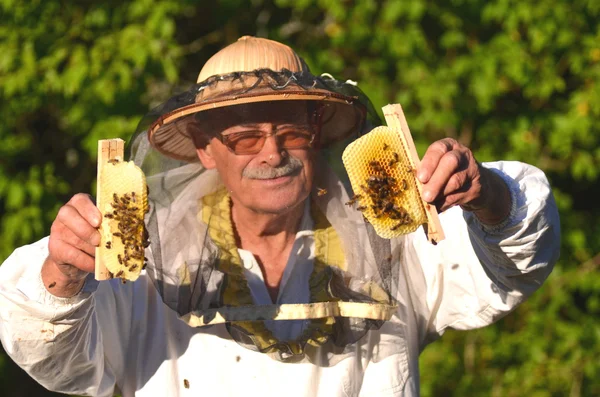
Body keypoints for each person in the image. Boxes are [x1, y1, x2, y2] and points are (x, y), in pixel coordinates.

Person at [0, 36, 559, 396]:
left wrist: (487, 194)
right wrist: (63, 274)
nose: (272, 153)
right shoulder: (141, 259)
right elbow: (55, 357)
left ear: (316, 137)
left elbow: (514, 264)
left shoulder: (396, 240)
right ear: (203, 148)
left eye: (291, 129)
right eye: (244, 136)